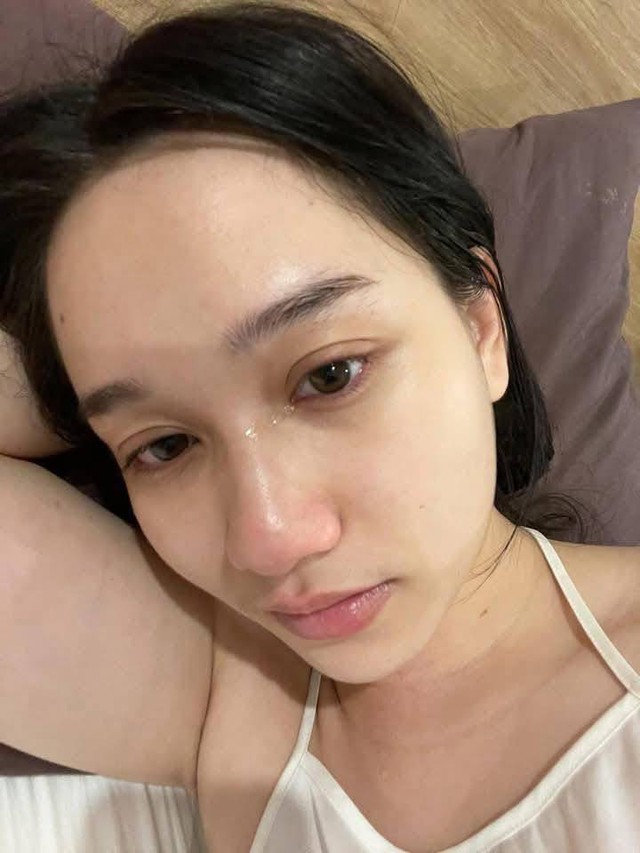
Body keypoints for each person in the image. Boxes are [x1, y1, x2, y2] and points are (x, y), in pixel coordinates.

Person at [1, 3, 639, 851]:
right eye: (165, 445)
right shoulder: (231, 696)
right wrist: (78, 376)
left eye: (330, 374)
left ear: (481, 325)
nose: (267, 541)